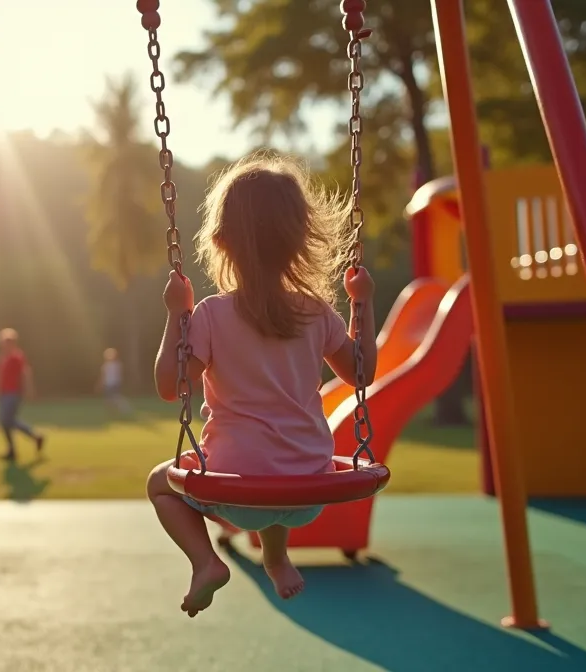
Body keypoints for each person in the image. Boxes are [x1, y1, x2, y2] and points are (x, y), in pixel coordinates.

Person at [146, 152, 377, 617]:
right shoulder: (317, 312)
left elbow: (171, 386)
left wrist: (176, 314)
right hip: (308, 486)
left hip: (236, 489)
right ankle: (275, 556)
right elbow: (361, 373)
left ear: (221, 242)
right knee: (276, 460)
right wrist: (362, 303)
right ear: (298, 242)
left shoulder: (209, 314)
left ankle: (206, 561)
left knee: (160, 484)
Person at [0, 328, 44, 460]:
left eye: (7, 341)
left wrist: (29, 389)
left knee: (6, 420)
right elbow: (0, 375)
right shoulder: (3, 357)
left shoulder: (17, 356)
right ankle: (33, 439)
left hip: (14, 393)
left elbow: (25, 373)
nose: (4, 344)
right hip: (5, 393)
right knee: (8, 421)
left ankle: (17, 448)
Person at [97, 347, 131, 414]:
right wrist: (100, 384)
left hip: (114, 383)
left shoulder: (116, 365)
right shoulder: (107, 365)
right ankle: (112, 412)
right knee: (110, 399)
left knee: (115, 397)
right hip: (108, 384)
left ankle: (125, 409)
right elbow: (103, 376)